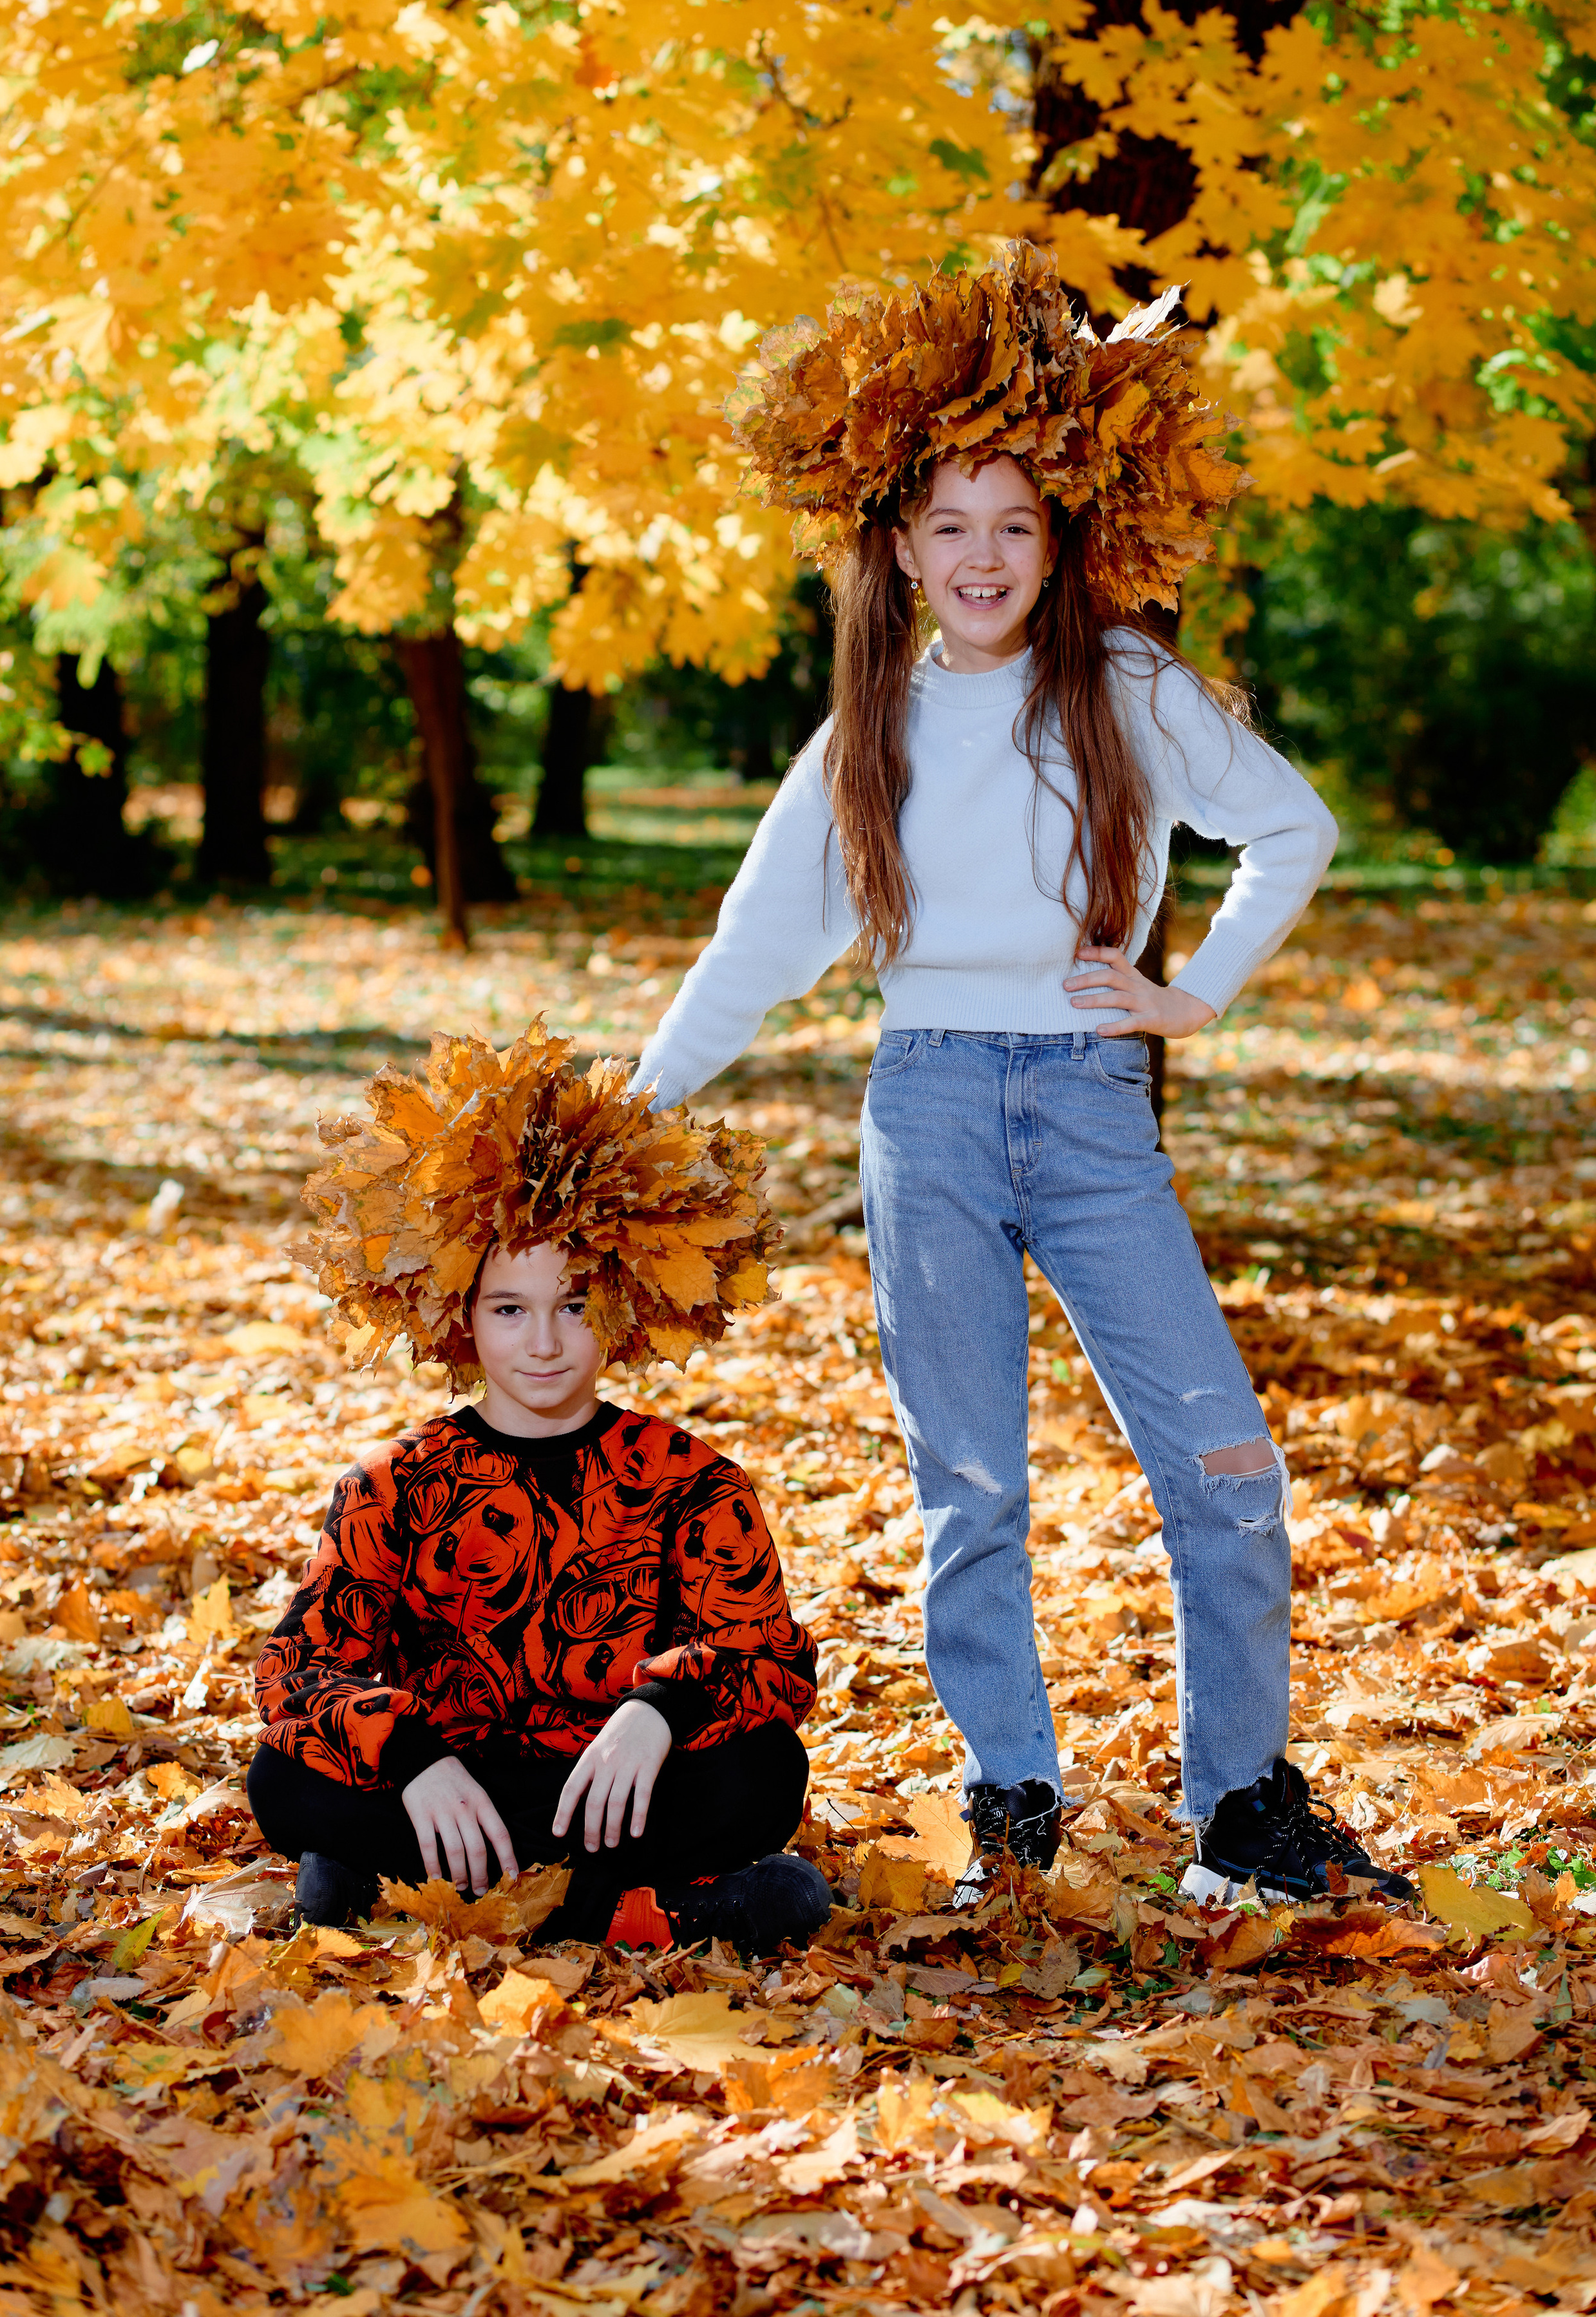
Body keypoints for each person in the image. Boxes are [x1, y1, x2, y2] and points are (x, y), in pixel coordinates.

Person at [636, 243, 1414, 1911]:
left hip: (1085, 1104)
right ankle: (1012, 1798)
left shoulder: (1123, 685)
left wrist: (1185, 995)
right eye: (950, 526)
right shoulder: (869, 733)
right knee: (970, 1477)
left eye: (1016, 524)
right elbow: (754, 953)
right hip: (924, 1109)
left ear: (1057, 539)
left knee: (1220, 1454)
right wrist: (629, 1116)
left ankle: (1246, 1808)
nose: (983, 556)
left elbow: (1293, 826)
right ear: (900, 546)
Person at [246, 1025, 829, 1952]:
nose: (545, 1343)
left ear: (626, 1304)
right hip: (455, 1785)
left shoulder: (694, 1482)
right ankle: (625, 1912)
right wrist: (411, 1756)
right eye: (510, 1310)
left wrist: (656, 1712)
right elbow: (296, 1672)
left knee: (763, 1771)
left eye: (573, 1308)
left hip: (621, 1789)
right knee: (283, 1781)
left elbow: (770, 1661)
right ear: (458, 1316)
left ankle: (392, 1888)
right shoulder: (393, 1486)